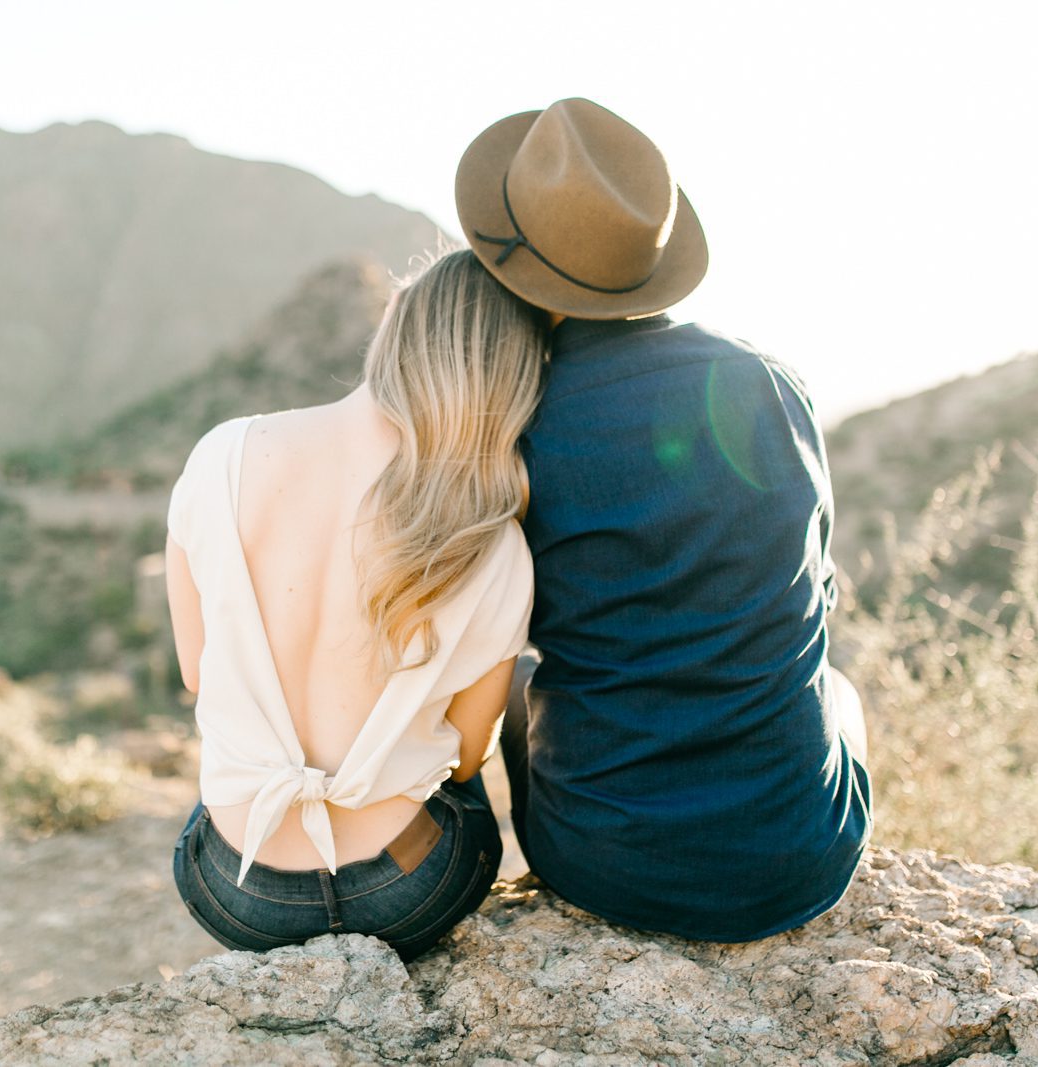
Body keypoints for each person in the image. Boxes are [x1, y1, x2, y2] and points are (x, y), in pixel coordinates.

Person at [456, 98, 873, 941]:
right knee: (841, 690)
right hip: (803, 857)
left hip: (608, 868)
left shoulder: (519, 430)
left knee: (516, 690)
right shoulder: (771, 384)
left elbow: (492, 633)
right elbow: (819, 592)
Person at [165, 250, 548, 962]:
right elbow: (466, 759)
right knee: (460, 806)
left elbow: (196, 671)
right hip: (409, 889)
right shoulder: (491, 539)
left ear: (394, 314)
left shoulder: (221, 455)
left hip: (239, 890)